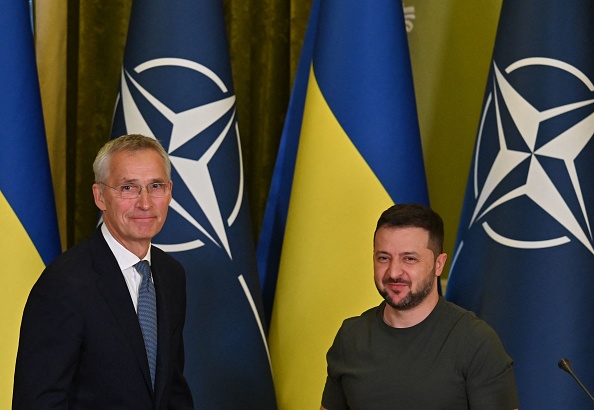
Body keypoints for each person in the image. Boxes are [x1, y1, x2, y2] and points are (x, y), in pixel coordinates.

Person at [13, 134, 194, 409]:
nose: (145, 203)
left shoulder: (171, 275)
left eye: (155, 186)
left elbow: (171, 390)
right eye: (128, 188)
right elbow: (37, 402)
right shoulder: (64, 283)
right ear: (100, 196)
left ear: (169, 191)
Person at [320, 203, 518, 410]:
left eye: (409, 259)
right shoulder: (351, 337)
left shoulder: (476, 342)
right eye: (384, 258)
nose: (394, 272)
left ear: (439, 264)